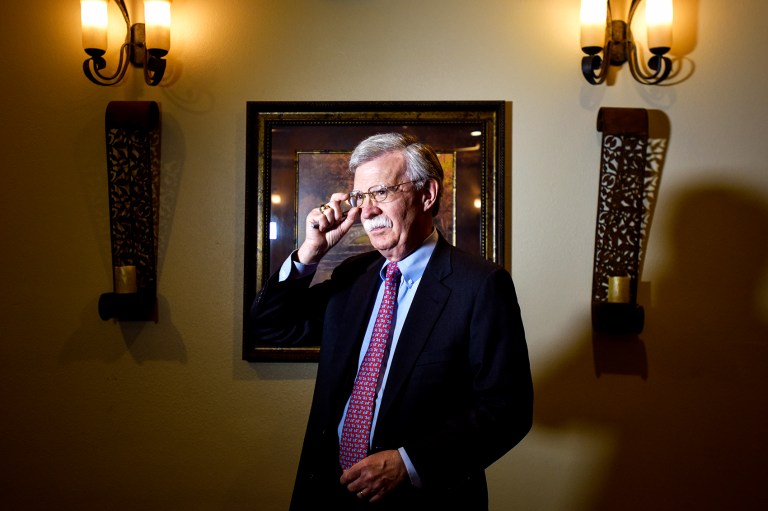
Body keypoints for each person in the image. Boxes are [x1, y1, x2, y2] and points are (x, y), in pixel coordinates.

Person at [249, 133, 533, 510]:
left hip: (422, 499)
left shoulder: (480, 284)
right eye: (359, 198)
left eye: (381, 192)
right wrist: (310, 253)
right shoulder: (354, 275)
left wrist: (410, 462)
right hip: (329, 493)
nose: (366, 211)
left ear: (427, 194)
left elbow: (508, 408)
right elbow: (269, 326)